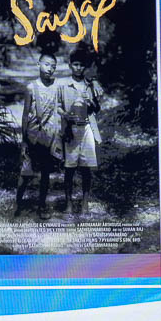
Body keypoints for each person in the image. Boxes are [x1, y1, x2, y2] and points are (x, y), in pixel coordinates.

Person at [16, 51, 62, 220]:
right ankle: (18, 204)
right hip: (32, 135)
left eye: (53, 66)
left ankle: (42, 205)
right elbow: (25, 115)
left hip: (49, 137)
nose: (50, 69)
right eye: (47, 64)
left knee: (45, 172)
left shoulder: (57, 87)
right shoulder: (31, 87)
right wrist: (23, 141)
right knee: (26, 172)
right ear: (39, 65)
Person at [58, 47, 104, 215]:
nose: (78, 68)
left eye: (81, 65)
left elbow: (97, 108)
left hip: (87, 128)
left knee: (86, 167)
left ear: (85, 67)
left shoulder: (89, 85)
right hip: (71, 129)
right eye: (75, 64)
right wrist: (65, 115)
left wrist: (91, 102)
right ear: (70, 65)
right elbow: (57, 106)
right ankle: (68, 203)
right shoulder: (63, 85)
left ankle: (85, 203)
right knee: (69, 168)